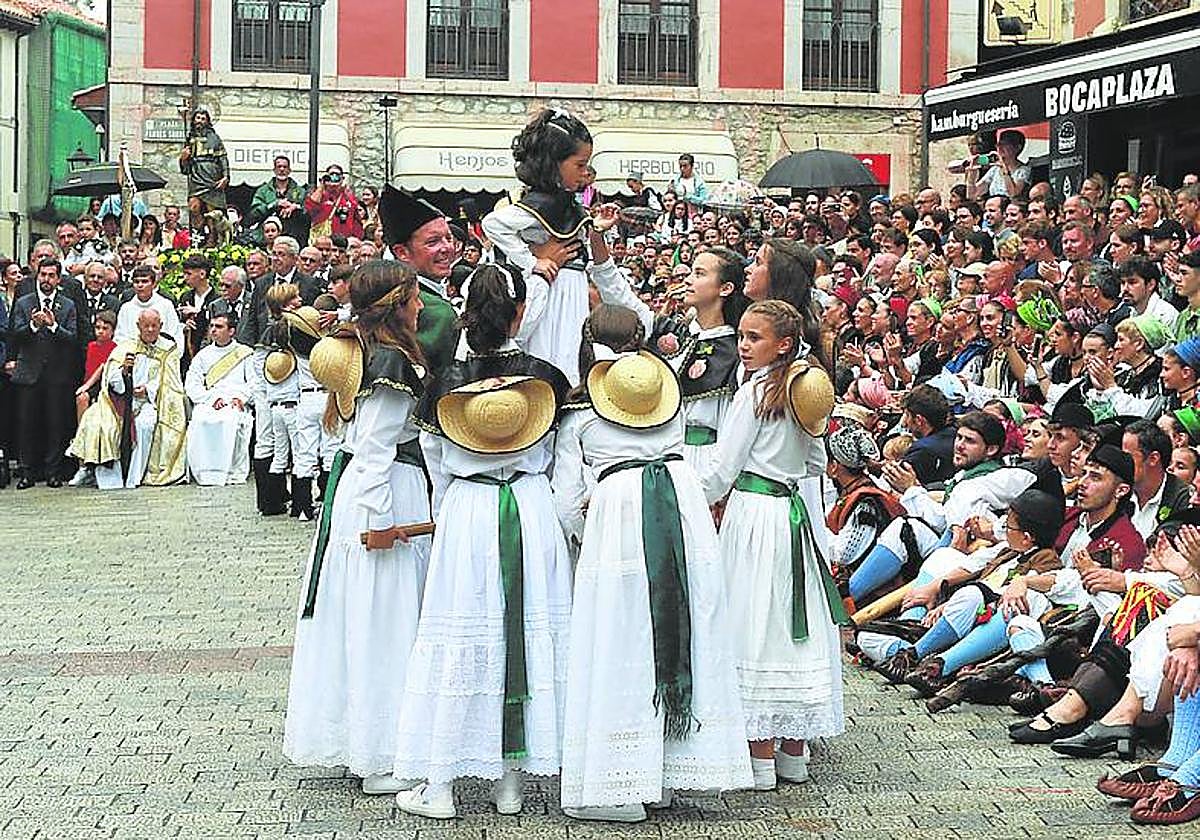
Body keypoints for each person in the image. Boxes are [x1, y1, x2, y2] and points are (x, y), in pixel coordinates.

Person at [553, 306, 752, 822]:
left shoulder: (578, 417)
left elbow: (566, 497)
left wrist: (583, 540)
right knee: (680, 623)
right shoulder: (671, 411)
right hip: (680, 508)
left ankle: (620, 783)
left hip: (617, 517)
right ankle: (665, 771)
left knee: (623, 635)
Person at [393, 263, 573, 819]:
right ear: (520, 313)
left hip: (469, 510)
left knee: (464, 635)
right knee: (523, 633)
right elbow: (564, 461)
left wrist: (448, 511)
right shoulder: (545, 377)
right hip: (532, 505)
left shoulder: (445, 380)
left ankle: (442, 782)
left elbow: (435, 462)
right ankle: (511, 783)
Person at [283, 260, 432, 797]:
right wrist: (382, 524)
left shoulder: (365, 352)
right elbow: (374, 449)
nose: (421, 307)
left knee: (363, 615)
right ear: (397, 303)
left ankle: (366, 743)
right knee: (382, 618)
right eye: (415, 298)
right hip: (382, 491)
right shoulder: (389, 358)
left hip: (363, 492)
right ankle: (381, 751)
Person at [698, 300, 846, 790]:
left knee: (755, 618)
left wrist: (693, 494)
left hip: (754, 515)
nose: (743, 345)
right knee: (787, 619)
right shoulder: (807, 389)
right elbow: (816, 464)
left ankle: (759, 759)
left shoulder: (755, 392)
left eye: (754, 338)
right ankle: (792, 754)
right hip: (791, 515)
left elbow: (724, 465)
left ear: (783, 343)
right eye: (741, 336)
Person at [481, 109, 597, 385]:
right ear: (554, 164)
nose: (584, 173)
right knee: (552, 355)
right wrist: (532, 262)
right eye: (579, 165)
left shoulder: (563, 201)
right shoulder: (541, 203)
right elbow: (493, 224)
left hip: (571, 288)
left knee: (570, 352)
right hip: (554, 290)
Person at [93, 309, 187, 489]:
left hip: (151, 402)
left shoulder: (168, 349)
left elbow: (172, 383)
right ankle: (111, 478)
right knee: (107, 425)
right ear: (138, 326)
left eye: (154, 326)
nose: (150, 330)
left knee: (145, 424)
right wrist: (124, 374)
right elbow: (111, 380)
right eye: (146, 326)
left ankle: (135, 477)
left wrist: (148, 391)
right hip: (122, 402)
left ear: (161, 326)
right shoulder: (126, 347)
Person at [9, 258, 79, 488]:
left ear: (58, 279)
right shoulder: (24, 302)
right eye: (43, 275)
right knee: (27, 424)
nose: (46, 280)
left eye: (51, 275)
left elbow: (72, 339)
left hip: (57, 375)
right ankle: (28, 472)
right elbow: (15, 335)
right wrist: (32, 326)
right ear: (37, 277)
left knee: (55, 424)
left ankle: (53, 472)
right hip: (29, 373)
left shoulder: (67, 305)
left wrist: (52, 326)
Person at [377, 185, 460, 376]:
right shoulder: (437, 311)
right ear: (402, 252)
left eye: (449, 238)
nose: (447, 248)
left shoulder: (386, 290)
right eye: (433, 242)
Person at [184, 311, 252, 486]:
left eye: (219, 327)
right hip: (210, 400)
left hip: (235, 400)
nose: (213, 330)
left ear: (231, 331)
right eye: (212, 326)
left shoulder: (244, 353)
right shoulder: (202, 355)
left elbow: (254, 382)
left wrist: (241, 398)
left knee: (230, 420)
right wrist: (210, 398)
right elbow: (192, 384)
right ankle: (205, 472)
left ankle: (231, 471)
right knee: (200, 420)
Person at [250, 154, 310, 244]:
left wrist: (296, 207)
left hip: (293, 239)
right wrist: (274, 205)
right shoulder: (263, 191)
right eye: (279, 167)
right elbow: (253, 215)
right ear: (274, 170)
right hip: (267, 241)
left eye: (285, 167)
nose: (282, 169)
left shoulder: (301, 191)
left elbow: (309, 213)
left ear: (289, 170)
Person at [116, 266, 183, 347]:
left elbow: (176, 335)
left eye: (144, 281)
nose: (140, 285)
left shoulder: (166, 305)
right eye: (136, 282)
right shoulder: (126, 308)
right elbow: (120, 338)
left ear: (153, 284)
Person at [178, 107, 228, 212]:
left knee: (212, 214)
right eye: (198, 118)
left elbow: (222, 158)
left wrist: (225, 176)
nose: (200, 121)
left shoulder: (215, 138)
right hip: (196, 176)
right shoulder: (189, 138)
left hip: (212, 177)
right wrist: (183, 159)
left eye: (203, 118)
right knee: (193, 208)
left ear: (207, 121)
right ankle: (197, 229)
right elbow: (185, 169)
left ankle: (211, 228)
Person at [305, 163, 362, 243]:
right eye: (331, 175)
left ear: (342, 178)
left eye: (337, 175)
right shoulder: (320, 194)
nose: (334, 177)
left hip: (343, 240)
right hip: (323, 241)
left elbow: (356, 220)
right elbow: (311, 206)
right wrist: (322, 184)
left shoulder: (348, 196)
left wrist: (356, 239)